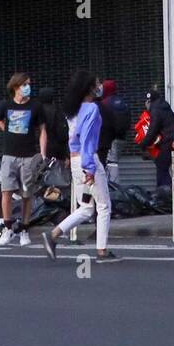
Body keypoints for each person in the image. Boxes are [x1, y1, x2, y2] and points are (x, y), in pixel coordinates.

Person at [42, 69, 117, 262]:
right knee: (104, 205)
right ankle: (102, 251)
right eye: (97, 83)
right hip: (88, 160)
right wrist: (90, 168)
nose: (100, 86)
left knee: (85, 207)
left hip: (75, 161)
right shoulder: (92, 109)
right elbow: (88, 140)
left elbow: (75, 139)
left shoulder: (72, 110)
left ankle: (53, 236)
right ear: (90, 87)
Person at [0, 72, 48, 247]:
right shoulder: (6, 105)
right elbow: (0, 121)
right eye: (25, 84)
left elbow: (42, 130)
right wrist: (9, 133)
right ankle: (8, 227)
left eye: (29, 84)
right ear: (16, 87)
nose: (28, 87)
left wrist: (42, 153)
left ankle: (24, 229)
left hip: (28, 156)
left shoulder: (36, 106)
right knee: (6, 192)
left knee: (27, 194)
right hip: (9, 155)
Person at [141, 87, 174, 189]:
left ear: (149, 101)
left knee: (162, 170)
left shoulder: (155, 110)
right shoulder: (165, 107)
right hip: (171, 141)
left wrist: (144, 144)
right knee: (164, 169)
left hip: (165, 143)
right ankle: (170, 194)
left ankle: (166, 195)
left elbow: (153, 129)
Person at [96, 79, 131, 183]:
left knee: (111, 163)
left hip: (110, 139)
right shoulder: (122, 102)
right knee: (113, 161)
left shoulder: (105, 103)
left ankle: (113, 187)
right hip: (122, 138)